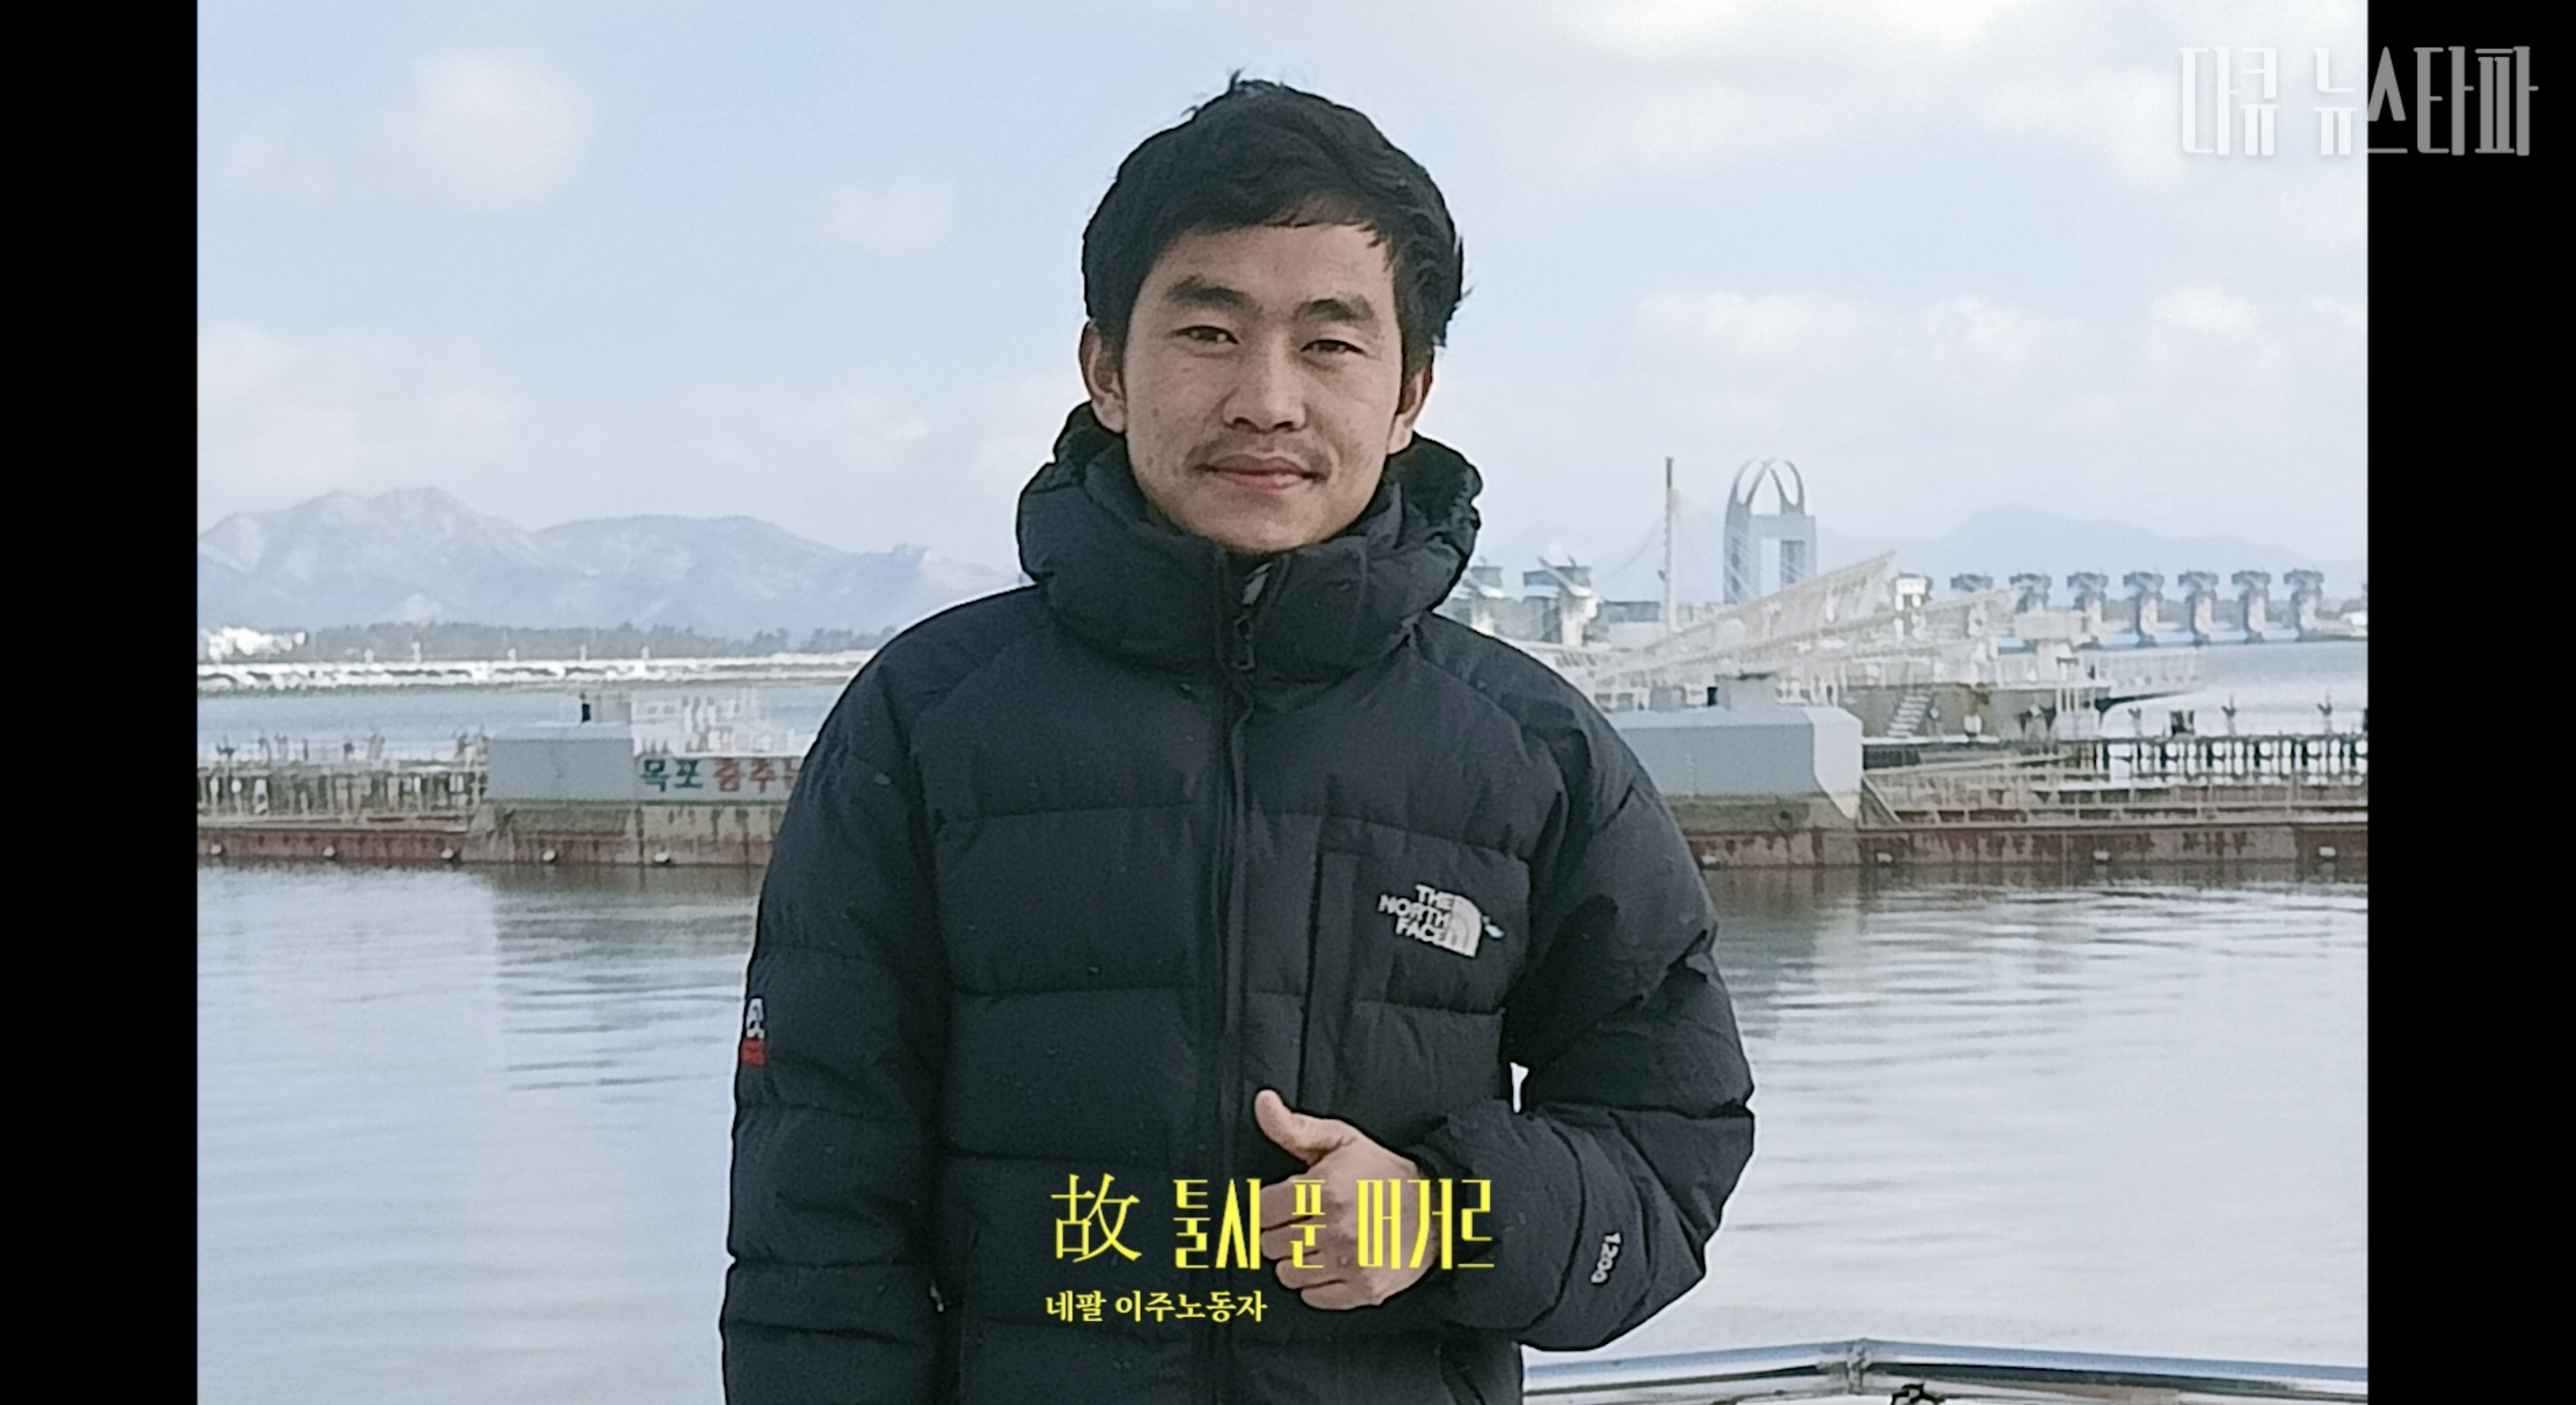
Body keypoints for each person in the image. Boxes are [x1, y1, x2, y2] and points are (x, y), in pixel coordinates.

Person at [721, 77, 1754, 1405]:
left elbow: (1669, 1144)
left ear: (1409, 394)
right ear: (1106, 369)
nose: (1267, 400)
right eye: (1208, 331)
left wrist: (1446, 1214)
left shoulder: (1530, 753)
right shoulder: (926, 721)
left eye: (1329, 344)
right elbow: (813, 1232)